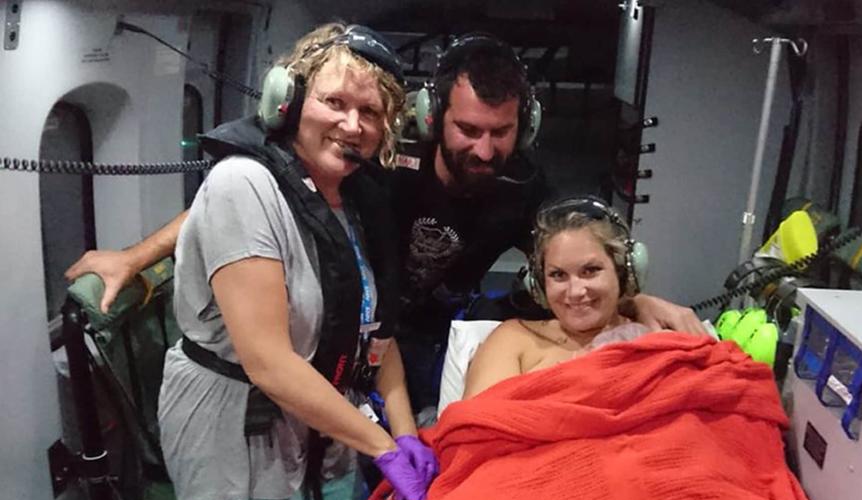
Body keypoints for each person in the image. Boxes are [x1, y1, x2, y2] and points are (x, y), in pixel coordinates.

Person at [65, 33, 705, 420]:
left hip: (435, 329)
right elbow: (254, 198)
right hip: (361, 325)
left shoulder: (522, 185)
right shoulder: (377, 164)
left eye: (501, 133)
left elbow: (577, 254)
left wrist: (635, 296)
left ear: (524, 128)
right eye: (469, 130)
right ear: (432, 117)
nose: (484, 150)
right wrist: (134, 255)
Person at [155, 23, 436, 500]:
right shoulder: (243, 185)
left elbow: (376, 335)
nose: (352, 125)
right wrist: (382, 447)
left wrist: (408, 436)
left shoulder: (357, 199)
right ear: (288, 100)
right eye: (334, 102)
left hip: (326, 433)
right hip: (237, 439)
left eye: (371, 112)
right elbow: (267, 362)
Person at [463, 197, 654, 399]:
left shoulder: (655, 343)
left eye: (590, 270)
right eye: (558, 275)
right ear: (539, 284)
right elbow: (477, 425)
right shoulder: (514, 338)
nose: (575, 291)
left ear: (623, 273)